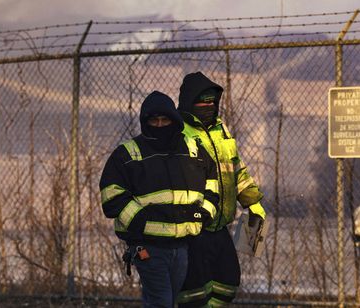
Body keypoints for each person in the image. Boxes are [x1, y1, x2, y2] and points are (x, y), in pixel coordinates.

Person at [99, 91, 219, 308]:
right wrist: (139, 221)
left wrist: (206, 213)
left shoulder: (193, 149)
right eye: (154, 120)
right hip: (148, 247)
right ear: (146, 122)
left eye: (165, 120)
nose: (160, 125)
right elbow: (111, 195)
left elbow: (213, 182)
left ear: (174, 120)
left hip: (182, 245)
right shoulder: (128, 154)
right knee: (161, 303)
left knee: (169, 302)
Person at [176, 72, 265, 307]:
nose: (208, 106)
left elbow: (236, 169)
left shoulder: (220, 130)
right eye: (202, 101)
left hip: (220, 224)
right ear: (189, 102)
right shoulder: (178, 132)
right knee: (193, 291)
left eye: (212, 101)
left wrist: (252, 201)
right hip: (194, 227)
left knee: (228, 281)